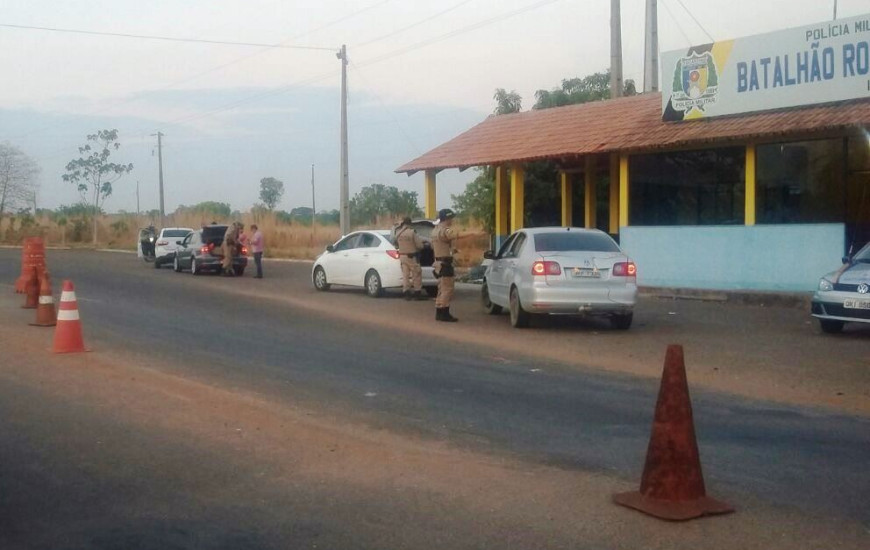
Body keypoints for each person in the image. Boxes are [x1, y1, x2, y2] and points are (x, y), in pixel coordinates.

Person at [431, 208, 460, 322]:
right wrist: (472, 234)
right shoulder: (444, 230)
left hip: (438, 262)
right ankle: (444, 313)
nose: (452, 220)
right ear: (447, 218)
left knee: (441, 289)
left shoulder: (434, 230)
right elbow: (455, 235)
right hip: (445, 263)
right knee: (447, 289)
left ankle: (439, 311)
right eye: (451, 218)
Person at [395, 216, 426, 300]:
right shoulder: (412, 232)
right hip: (412, 257)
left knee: (405, 275)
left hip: (402, 256)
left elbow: (396, 243)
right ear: (410, 223)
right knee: (416, 274)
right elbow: (419, 245)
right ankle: (417, 293)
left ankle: (406, 293)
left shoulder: (398, 233)